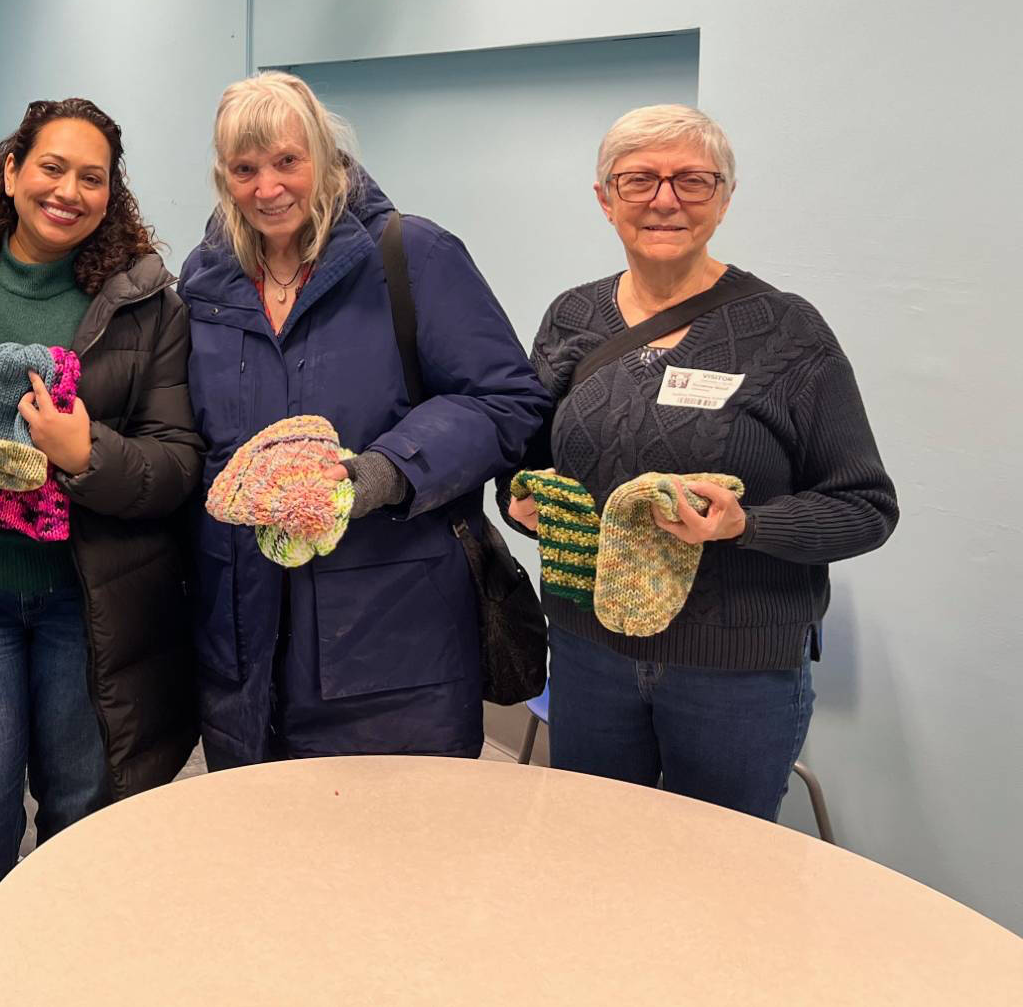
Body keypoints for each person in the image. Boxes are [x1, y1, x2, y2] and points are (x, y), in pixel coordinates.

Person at [0, 97, 202, 977]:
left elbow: (176, 465)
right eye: (51, 167)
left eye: (92, 177)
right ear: (12, 171)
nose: (68, 190)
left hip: (85, 605)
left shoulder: (143, 299)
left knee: (83, 807)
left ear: (111, 195)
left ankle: (64, 979)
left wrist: (88, 454)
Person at [504, 104, 897, 817]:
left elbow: (866, 507)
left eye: (692, 180)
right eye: (638, 181)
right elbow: (527, 454)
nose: (664, 200)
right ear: (605, 199)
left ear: (723, 197)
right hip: (592, 650)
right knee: (595, 849)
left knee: (722, 882)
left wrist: (744, 526)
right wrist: (522, 500)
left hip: (735, 670)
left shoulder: (787, 333)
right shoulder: (574, 317)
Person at [182, 71, 549, 765]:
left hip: (391, 641)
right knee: (257, 855)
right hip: (243, 642)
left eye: (288, 161)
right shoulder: (205, 281)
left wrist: (382, 473)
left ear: (325, 154)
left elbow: (506, 401)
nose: (268, 188)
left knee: (395, 857)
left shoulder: (412, 255)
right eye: (245, 169)